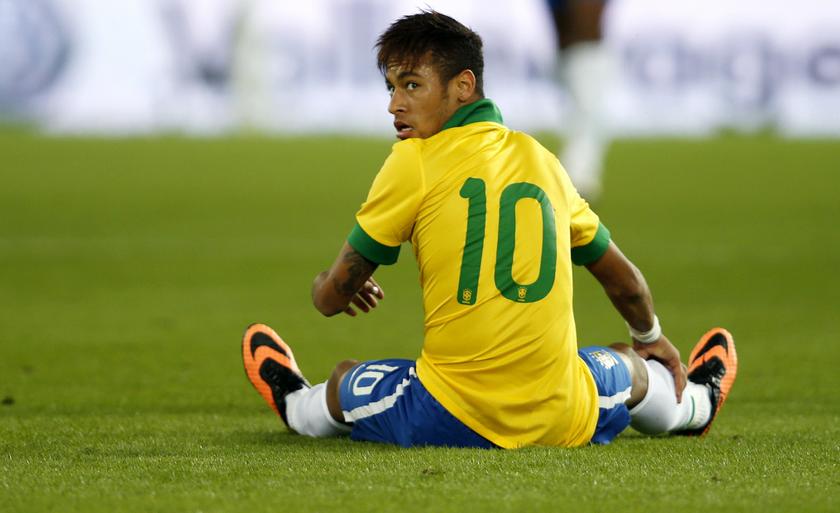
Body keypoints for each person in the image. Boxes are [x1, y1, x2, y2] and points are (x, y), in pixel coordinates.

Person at [241, 10, 737, 448]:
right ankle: (694, 404)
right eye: (391, 86)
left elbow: (331, 299)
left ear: (463, 86)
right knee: (627, 364)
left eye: (411, 85)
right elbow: (622, 279)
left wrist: (326, 287)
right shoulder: (542, 158)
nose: (394, 103)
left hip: (448, 416)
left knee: (347, 380)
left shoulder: (412, 161)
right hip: (562, 416)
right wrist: (651, 334)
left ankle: (295, 405)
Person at [546, 0, 615, 201]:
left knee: (586, 117)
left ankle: (575, 178)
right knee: (588, 115)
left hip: (570, 50)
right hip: (584, 53)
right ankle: (576, 180)